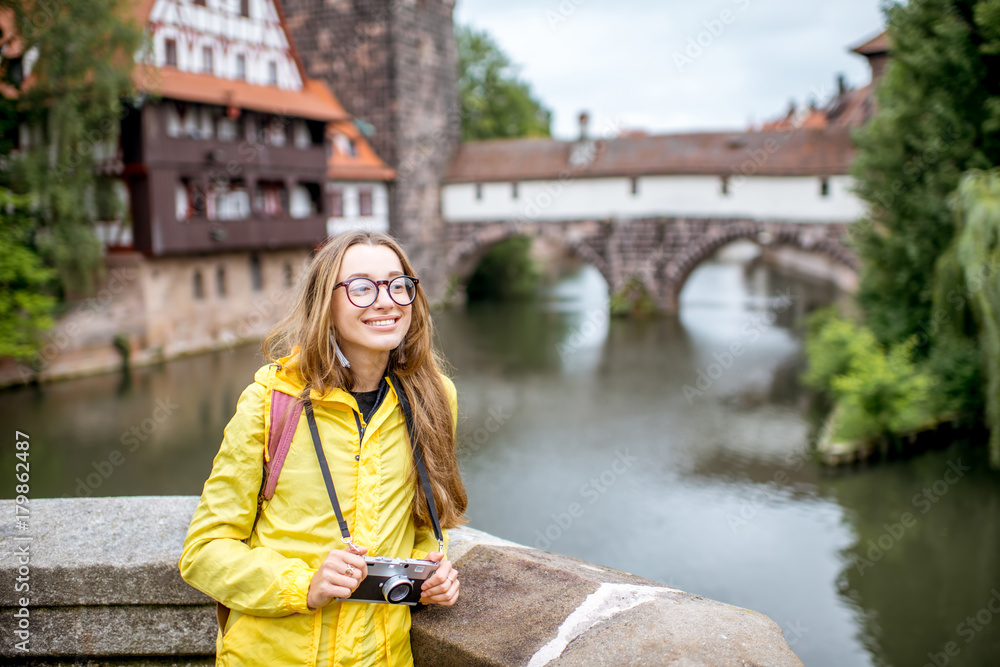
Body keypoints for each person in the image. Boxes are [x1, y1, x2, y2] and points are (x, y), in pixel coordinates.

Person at [179, 231, 468, 666]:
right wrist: (304, 584)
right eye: (361, 287)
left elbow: (426, 523)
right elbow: (203, 552)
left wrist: (432, 574)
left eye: (398, 284)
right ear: (324, 303)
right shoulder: (269, 401)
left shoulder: (434, 398)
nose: (386, 301)